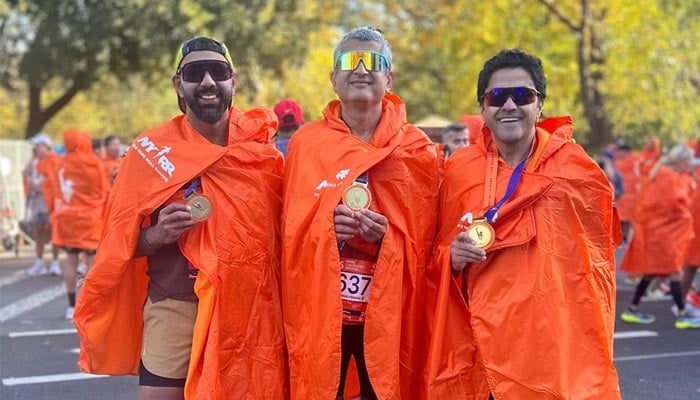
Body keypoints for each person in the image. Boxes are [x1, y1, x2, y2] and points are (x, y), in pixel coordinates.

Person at [74, 37, 288, 399]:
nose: (207, 81)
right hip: (174, 304)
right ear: (178, 84)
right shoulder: (151, 153)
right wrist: (156, 235)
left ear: (232, 79)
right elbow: (119, 243)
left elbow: (288, 239)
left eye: (217, 71)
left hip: (247, 310)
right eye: (194, 73)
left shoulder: (262, 158)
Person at [425, 49, 621, 399]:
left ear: (540, 105)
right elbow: (431, 256)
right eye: (498, 96)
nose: (510, 105)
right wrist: (451, 257)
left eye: (523, 95)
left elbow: (598, 268)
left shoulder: (577, 172)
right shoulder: (457, 171)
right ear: (483, 107)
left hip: (550, 352)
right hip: (480, 355)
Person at [282, 26, 440, 399]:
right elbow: (286, 235)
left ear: (389, 77)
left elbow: (430, 244)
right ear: (334, 77)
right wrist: (325, 229)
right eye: (349, 61)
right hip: (323, 310)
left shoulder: (418, 150)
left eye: (373, 61)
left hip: (389, 313)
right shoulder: (307, 145)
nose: (361, 70)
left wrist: (386, 237)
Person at [620, 144, 700, 327]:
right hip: (665, 234)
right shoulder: (669, 178)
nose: (690, 165)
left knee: (651, 273)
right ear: (681, 161)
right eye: (688, 161)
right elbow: (676, 205)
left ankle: (632, 308)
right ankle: (682, 313)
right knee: (674, 272)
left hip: (656, 232)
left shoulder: (660, 174)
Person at [43, 129, 108, 319]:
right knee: (90, 261)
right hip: (90, 217)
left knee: (71, 261)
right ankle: (88, 303)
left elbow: (51, 189)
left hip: (66, 217)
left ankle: (71, 306)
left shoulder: (60, 163)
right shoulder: (93, 162)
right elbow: (103, 190)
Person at [23, 133, 61, 276]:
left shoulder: (55, 160)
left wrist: (43, 185)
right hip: (37, 201)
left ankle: (55, 262)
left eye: (38, 145)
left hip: (51, 201)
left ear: (46, 146)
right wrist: (32, 158)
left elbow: (57, 179)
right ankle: (39, 262)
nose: (36, 149)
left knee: (53, 232)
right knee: (38, 232)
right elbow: (25, 175)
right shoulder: (34, 162)